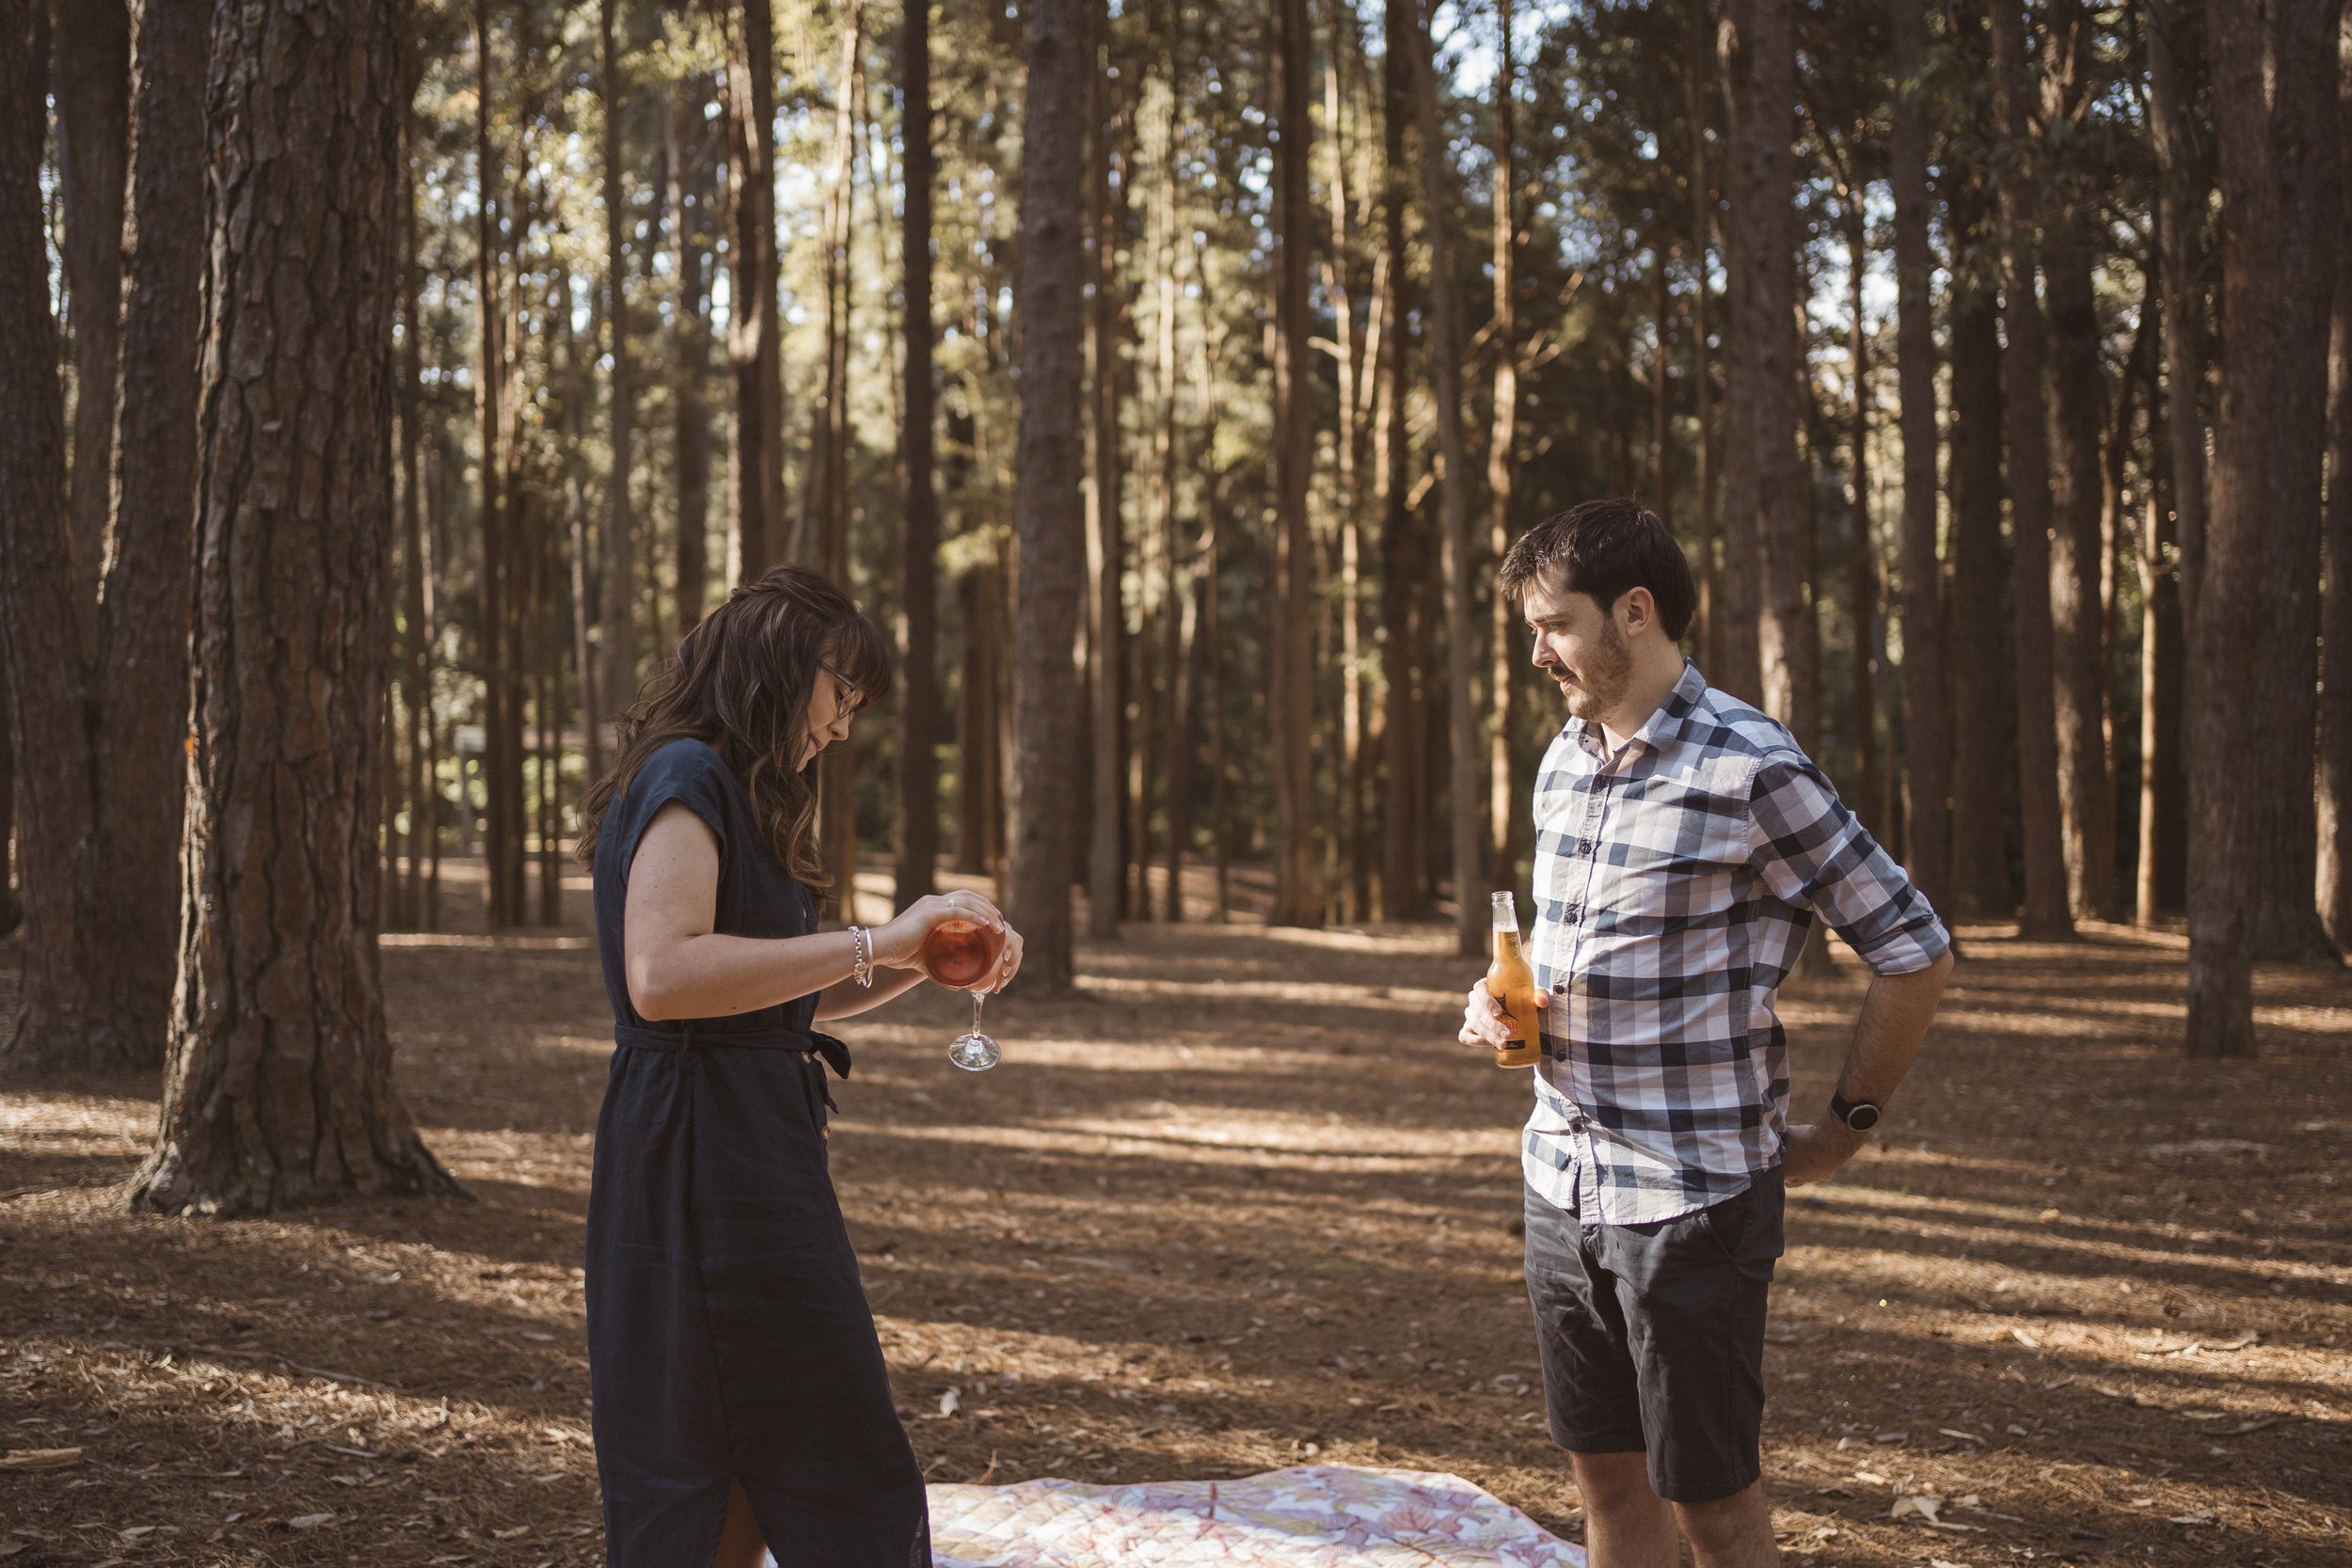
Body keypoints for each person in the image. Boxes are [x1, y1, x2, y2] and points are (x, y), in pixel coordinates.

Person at [1458, 501, 1954, 1568]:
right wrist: (1506, 999)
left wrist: (1846, 1124)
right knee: (1605, 1478)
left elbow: (1913, 947)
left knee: (1714, 1509)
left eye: (1554, 624)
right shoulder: (1564, 757)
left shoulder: (1749, 763)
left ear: (1634, 612)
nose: (1535, 651)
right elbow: (1568, 951)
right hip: (1560, 1181)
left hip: (1690, 1202)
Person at [575, 566, 1022, 1568]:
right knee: (784, 1434)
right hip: (699, 1157)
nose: (843, 723)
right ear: (781, 663)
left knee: (755, 1436)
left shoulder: (729, 787)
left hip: (747, 1136)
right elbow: (665, 973)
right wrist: (876, 937)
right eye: (841, 691)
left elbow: (773, 994)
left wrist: (920, 957)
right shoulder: (685, 775)